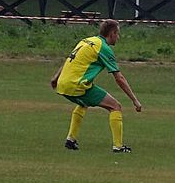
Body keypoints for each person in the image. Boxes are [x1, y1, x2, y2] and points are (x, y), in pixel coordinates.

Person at [50, 19, 142, 153]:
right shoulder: (104, 48)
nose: (118, 37)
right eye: (118, 34)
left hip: (63, 83)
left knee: (83, 103)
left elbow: (69, 59)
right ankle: (118, 146)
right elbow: (119, 78)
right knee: (115, 107)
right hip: (77, 85)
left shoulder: (86, 40)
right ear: (112, 33)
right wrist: (135, 100)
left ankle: (71, 140)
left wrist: (56, 77)